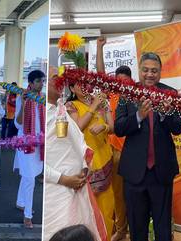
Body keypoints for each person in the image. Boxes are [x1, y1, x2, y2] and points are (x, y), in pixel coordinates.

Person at [114, 52, 181, 241]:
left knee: (163, 229)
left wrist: (166, 113)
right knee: (137, 228)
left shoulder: (170, 94)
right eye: (145, 70)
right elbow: (119, 128)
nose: (150, 74)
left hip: (161, 172)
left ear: (160, 72)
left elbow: (178, 129)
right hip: (134, 172)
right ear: (139, 71)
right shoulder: (128, 93)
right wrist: (138, 117)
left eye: (154, 71)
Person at [44, 67, 108, 241]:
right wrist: (64, 179)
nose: (60, 82)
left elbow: (78, 140)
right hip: (58, 193)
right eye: (55, 78)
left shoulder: (60, 109)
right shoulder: (42, 113)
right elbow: (37, 163)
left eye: (61, 79)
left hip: (79, 186)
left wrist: (84, 168)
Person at [65, 80, 115, 235]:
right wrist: (94, 107)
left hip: (105, 158)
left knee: (107, 206)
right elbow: (78, 127)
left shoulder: (99, 101)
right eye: (80, 84)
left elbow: (112, 128)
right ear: (72, 88)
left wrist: (104, 126)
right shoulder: (71, 106)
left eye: (87, 83)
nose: (85, 86)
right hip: (87, 164)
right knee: (89, 209)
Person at [96, 36, 130, 241]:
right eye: (118, 82)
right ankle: (121, 230)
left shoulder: (135, 96)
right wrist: (100, 47)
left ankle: (126, 228)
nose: (122, 86)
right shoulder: (112, 95)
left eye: (125, 82)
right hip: (114, 152)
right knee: (116, 193)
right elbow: (101, 74)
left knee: (130, 194)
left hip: (134, 151)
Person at [14, 70, 45, 229]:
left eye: (43, 81)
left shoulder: (42, 98)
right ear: (31, 83)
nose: (42, 84)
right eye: (39, 81)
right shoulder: (22, 97)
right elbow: (17, 124)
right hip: (25, 142)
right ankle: (27, 215)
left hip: (38, 142)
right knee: (30, 178)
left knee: (28, 176)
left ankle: (21, 201)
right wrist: (24, 105)